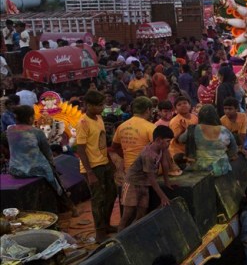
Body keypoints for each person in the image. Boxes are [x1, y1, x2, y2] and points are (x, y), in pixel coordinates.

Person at [6, 105, 77, 215]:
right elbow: (47, 152)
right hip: (35, 169)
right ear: (30, 118)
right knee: (55, 180)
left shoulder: (10, 130)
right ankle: (70, 206)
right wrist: (52, 165)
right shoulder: (36, 132)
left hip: (15, 169)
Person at [76, 90, 116, 243]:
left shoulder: (99, 118)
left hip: (104, 162)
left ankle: (106, 224)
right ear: (88, 105)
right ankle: (100, 232)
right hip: (93, 167)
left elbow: (102, 143)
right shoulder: (83, 123)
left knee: (111, 194)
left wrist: (110, 161)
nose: (102, 108)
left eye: (102, 105)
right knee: (98, 199)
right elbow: (80, 149)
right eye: (99, 105)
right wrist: (89, 172)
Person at [119, 126, 173, 231]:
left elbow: (164, 163)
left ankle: (134, 234)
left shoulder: (161, 148)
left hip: (144, 184)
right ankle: (118, 237)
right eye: (167, 141)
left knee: (142, 213)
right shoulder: (148, 155)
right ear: (159, 140)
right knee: (127, 214)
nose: (169, 144)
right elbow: (152, 179)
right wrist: (163, 196)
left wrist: (167, 182)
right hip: (132, 183)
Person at [178, 105, 237, 176]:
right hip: (222, 167)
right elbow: (233, 149)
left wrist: (185, 130)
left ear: (200, 116)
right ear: (216, 116)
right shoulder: (224, 130)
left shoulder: (193, 129)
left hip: (200, 167)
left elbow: (181, 140)